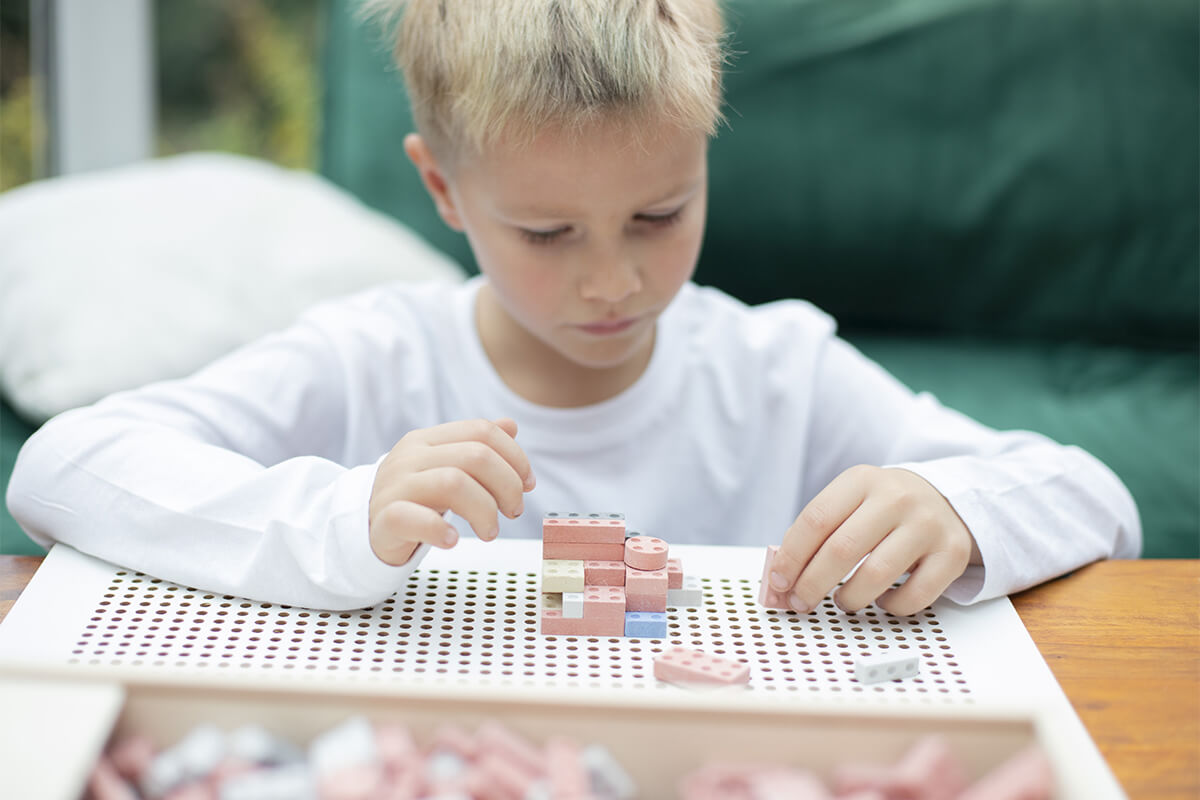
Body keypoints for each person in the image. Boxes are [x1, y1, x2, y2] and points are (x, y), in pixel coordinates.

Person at [6, 0, 1139, 612]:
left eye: (660, 213)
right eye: (547, 234)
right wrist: (338, 523)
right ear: (443, 188)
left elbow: (1096, 499)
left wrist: (958, 508)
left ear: (706, 157)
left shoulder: (774, 367)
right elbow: (65, 466)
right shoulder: (374, 355)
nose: (615, 283)